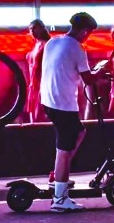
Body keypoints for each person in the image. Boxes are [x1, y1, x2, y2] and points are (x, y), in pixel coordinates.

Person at [40, 12, 104, 212]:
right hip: (63, 105)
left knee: (79, 132)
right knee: (64, 150)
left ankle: (58, 176)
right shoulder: (77, 48)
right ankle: (59, 199)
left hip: (48, 100)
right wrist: (101, 71)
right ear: (85, 32)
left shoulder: (52, 42)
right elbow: (88, 80)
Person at [25, 19, 50, 123]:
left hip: (44, 85)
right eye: (31, 29)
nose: (32, 31)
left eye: (35, 28)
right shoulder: (36, 45)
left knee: (41, 119)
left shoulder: (48, 45)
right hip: (33, 86)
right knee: (34, 121)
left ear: (42, 28)